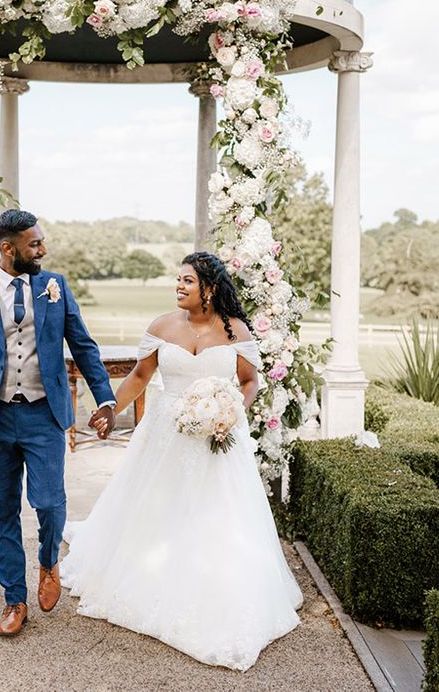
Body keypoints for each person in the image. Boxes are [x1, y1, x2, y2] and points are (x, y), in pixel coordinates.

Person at [65, 251, 303, 671]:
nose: (179, 286)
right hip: (163, 437)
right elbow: (139, 377)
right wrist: (110, 409)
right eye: (178, 279)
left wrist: (231, 410)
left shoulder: (236, 331)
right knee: (156, 506)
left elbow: (249, 382)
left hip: (217, 440)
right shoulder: (161, 326)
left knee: (214, 514)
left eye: (188, 281)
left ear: (209, 289)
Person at [0, 208, 116, 637]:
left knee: (48, 502)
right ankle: (13, 600)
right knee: (4, 512)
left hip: (45, 415)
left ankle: (48, 561)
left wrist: (106, 399)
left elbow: (83, 346)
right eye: (34, 244)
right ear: (8, 249)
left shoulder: (54, 286)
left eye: (41, 242)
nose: (42, 249)